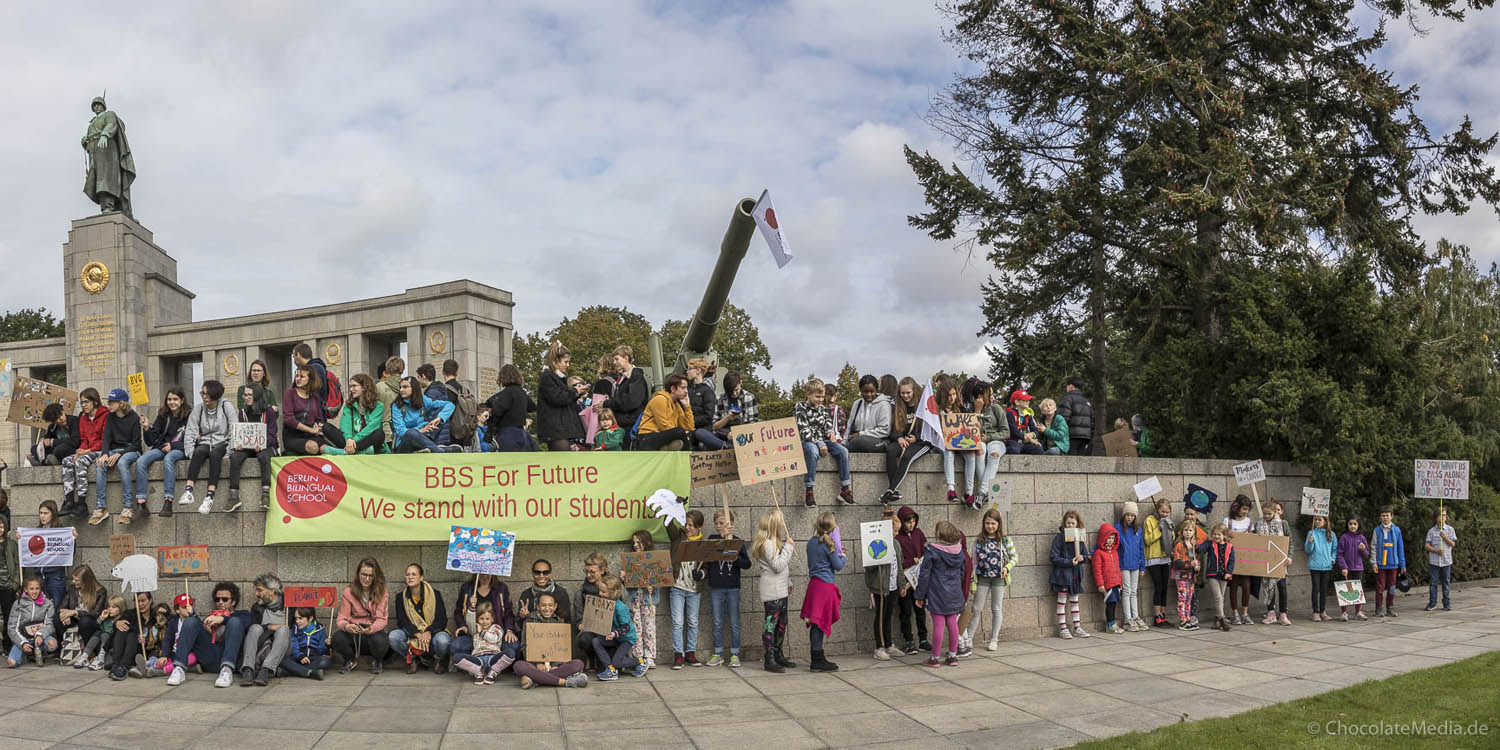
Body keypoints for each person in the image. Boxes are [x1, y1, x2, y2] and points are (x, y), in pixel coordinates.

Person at [161, 584, 252, 688]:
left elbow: (247, 623)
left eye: (225, 599)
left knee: (235, 622)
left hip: (230, 659)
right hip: (209, 656)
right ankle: (179, 668)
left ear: (234, 601)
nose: (220, 602)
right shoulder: (211, 616)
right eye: (217, 599)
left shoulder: (243, 614)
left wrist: (223, 619)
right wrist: (204, 626)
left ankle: (227, 670)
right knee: (191, 621)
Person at [129, 386, 190, 518]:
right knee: (141, 461)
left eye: (175, 399)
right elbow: (151, 441)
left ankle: (168, 501)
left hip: (180, 449)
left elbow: (191, 440)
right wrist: (146, 428)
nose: (172, 402)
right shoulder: (163, 414)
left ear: (182, 400)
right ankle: (141, 502)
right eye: (169, 399)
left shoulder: (189, 415)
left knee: (169, 459)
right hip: (161, 448)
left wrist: (173, 446)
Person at [915, 520, 969, 667]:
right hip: (954, 593)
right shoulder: (959, 551)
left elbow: (924, 575)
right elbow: (962, 573)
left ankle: (934, 658)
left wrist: (920, 595)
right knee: (952, 623)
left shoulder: (932, 552)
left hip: (936, 593)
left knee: (938, 624)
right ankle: (952, 656)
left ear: (939, 535)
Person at [963, 509, 1015, 652]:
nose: (990, 526)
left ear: (998, 524)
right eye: (987, 523)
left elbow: (1014, 557)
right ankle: (969, 638)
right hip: (983, 579)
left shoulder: (1005, 540)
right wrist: (973, 582)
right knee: (976, 609)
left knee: (996, 608)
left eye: (993, 523)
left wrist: (1007, 567)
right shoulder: (978, 540)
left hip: (999, 579)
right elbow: (973, 562)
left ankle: (994, 639)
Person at [794, 379, 853, 506]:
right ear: (808, 394)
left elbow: (828, 426)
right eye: (817, 396)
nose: (820, 399)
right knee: (813, 452)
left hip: (823, 440)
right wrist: (820, 443)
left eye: (822, 396)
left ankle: (845, 488)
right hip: (807, 441)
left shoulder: (824, 409)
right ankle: (809, 490)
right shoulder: (801, 408)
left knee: (843, 451)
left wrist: (831, 433)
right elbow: (804, 431)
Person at [512, 592, 589, 689]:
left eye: (550, 605)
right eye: (543, 605)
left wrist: (556, 665)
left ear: (555, 606)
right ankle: (564, 682)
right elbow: (524, 646)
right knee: (518, 666)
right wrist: (537, 663)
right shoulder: (529, 621)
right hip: (535, 665)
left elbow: (563, 648)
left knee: (578, 664)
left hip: (555, 666)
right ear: (538, 606)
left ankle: (534, 680)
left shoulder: (560, 622)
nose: (547, 609)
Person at [182, 379, 236, 514]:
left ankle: (210, 496)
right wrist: (190, 452)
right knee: (199, 451)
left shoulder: (226, 406)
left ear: (215, 394)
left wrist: (229, 451)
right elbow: (190, 430)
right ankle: (188, 491)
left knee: (215, 455)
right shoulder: (199, 408)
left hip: (221, 442)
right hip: (205, 441)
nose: (204, 396)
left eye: (207, 394)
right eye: (202, 393)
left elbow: (234, 428)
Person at [705, 509, 751, 668]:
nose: (719, 526)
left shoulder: (738, 542)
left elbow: (747, 564)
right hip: (717, 587)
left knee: (734, 622)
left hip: (732, 587)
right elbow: (708, 556)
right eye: (717, 523)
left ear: (730, 524)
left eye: (722, 523)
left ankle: (734, 654)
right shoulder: (712, 539)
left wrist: (734, 554)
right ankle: (718, 653)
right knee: (717, 622)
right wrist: (723, 540)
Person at [90, 388, 143, 525]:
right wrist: (105, 454)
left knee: (122, 462)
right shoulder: (110, 417)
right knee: (100, 465)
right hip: (114, 451)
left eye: (112, 402)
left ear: (121, 403)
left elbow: (136, 444)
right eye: (109, 402)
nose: (109, 405)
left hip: (131, 451)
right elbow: (106, 438)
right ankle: (101, 508)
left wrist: (120, 454)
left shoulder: (134, 418)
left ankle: (128, 507)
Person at [800, 511, 845, 672]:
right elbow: (838, 566)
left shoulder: (811, 542)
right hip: (825, 586)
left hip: (813, 585)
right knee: (819, 624)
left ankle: (816, 656)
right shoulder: (828, 545)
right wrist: (843, 555)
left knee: (815, 623)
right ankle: (817, 660)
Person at [753, 509, 795, 673]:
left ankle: (778, 654)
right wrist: (789, 548)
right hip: (772, 591)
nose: (783, 525)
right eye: (781, 521)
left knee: (782, 623)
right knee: (771, 624)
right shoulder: (767, 544)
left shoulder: (774, 542)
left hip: (781, 589)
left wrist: (788, 581)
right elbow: (777, 566)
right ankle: (769, 658)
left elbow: (783, 568)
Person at [880, 377, 934, 504]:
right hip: (904, 439)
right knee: (891, 450)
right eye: (902, 393)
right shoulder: (897, 405)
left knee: (906, 458)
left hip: (923, 442)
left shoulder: (924, 405)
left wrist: (917, 438)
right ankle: (894, 490)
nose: (905, 396)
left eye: (908, 393)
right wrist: (898, 437)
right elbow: (893, 428)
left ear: (914, 391)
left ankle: (891, 489)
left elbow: (930, 428)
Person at [333, 557, 390, 674]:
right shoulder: (348, 592)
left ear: (375, 576)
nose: (367, 579)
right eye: (364, 574)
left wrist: (372, 628)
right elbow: (341, 618)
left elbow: (382, 619)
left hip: (372, 632)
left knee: (382, 640)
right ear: (358, 574)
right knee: (337, 638)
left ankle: (377, 661)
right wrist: (346, 626)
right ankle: (350, 660)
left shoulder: (382, 592)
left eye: (371, 576)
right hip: (355, 632)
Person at [226, 384, 278, 512]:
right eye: (245, 395)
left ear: (257, 396)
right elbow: (241, 432)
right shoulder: (243, 412)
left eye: (249, 395)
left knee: (264, 457)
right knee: (235, 457)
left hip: (266, 446)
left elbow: (272, 435)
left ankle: (265, 494)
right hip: (248, 447)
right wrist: (238, 443)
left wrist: (262, 444)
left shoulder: (269, 412)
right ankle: (234, 497)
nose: (246, 397)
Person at [666, 508, 706, 668]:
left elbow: (708, 566)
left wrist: (701, 574)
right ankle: (678, 655)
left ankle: (690, 653)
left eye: (691, 525)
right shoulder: (678, 537)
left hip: (694, 589)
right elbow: (667, 524)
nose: (688, 528)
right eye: (686, 524)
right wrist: (672, 508)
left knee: (693, 621)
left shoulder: (703, 543)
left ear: (698, 527)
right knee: (677, 622)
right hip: (677, 586)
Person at [13, 501, 73, 608]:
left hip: (55, 577)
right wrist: (22, 539)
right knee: (39, 608)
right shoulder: (35, 532)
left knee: (56, 607)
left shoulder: (61, 532)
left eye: (45, 513)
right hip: (39, 577)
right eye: (40, 513)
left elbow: (68, 553)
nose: (42, 516)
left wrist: (72, 539)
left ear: (53, 514)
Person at [59, 388, 108, 519]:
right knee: (67, 461)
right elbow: (84, 439)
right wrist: (80, 451)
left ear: (95, 402)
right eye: (81, 402)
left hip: (101, 451)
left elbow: (105, 440)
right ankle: (69, 501)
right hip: (88, 450)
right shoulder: (83, 418)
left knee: (80, 462)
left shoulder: (106, 415)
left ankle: (81, 504)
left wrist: (86, 451)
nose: (83, 405)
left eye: (86, 402)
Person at [392, 563, 450, 673]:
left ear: (421, 577)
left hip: (432, 635)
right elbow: (402, 621)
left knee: (443, 640)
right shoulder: (401, 597)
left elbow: (442, 620)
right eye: (407, 574)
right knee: (394, 636)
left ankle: (438, 660)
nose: (410, 577)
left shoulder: (435, 594)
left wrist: (428, 632)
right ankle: (412, 659)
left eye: (414, 574)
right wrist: (417, 634)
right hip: (413, 635)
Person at [452, 573, 515, 669]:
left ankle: (492, 665)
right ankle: (479, 664)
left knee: (514, 647)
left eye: (488, 573)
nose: (485, 576)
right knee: (456, 646)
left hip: (496, 634)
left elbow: (508, 612)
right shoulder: (467, 588)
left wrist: (509, 630)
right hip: (473, 634)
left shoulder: (501, 588)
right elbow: (458, 611)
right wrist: (462, 625)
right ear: (476, 573)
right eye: (481, 574)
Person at [237, 573, 289, 686]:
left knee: (284, 630)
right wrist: (269, 627)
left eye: (259, 590)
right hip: (262, 647)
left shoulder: (290, 605)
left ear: (272, 591)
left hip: (283, 647)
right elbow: (252, 633)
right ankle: (248, 669)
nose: (256, 594)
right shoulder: (257, 608)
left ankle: (266, 670)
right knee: (255, 627)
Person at [537, 342, 587, 451]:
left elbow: (563, 398)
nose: (568, 365)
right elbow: (557, 398)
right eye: (566, 362)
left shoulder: (556, 377)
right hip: (556, 429)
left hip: (560, 429)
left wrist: (577, 393)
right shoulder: (548, 377)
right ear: (555, 361)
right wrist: (575, 391)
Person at [320, 373, 386, 455]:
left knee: (379, 434)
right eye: (350, 386)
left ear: (364, 387)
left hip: (365, 441)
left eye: (354, 386)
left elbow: (371, 427)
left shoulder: (378, 406)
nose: (351, 389)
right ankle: (358, 451)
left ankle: (344, 452)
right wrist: (348, 439)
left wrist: (354, 440)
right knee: (326, 427)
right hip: (350, 441)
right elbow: (345, 425)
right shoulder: (349, 405)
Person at [590, 574, 641, 680]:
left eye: (603, 592)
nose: (600, 594)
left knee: (617, 662)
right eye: (600, 590)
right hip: (615, 637)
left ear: (613, 592)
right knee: (596, 641)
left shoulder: (620, 608)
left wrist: (613, 634)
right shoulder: (605, 603)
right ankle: (611, 670)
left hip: (626, 638)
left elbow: (626, 627)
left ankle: (641, 661)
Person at [865, 508, 900, 660]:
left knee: (888, 615)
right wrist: (877, 560)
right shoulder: (876, 543)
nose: (897, 534)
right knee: (880, 616)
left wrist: (901, 583)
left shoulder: (896, 544)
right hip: (880, 586)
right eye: (895, 531)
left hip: (893, 586)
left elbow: (900, 564)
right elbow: (868, 565)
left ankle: (889, 643)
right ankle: (879, 646)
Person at [1049, 510, 1090, 639]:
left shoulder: (1080, 538)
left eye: (1073, 523)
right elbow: (1053, 557)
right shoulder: (1059, 538)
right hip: (1062, 575)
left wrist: (1083, 557)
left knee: (1074, 601)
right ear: (1064, 524)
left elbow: (1086, 555)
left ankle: (1077, 627)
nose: (1071, 525)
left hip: (1076, 575)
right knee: (1061, 601)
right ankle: (1063, 628)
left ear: (1077, 524)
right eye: (1068, 523)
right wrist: (1068, 562)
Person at [392, 376, 459, 454]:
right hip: (404, 444)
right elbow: (401, 431)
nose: (401, 390)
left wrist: (440, 418)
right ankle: (439, 451)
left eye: (405, 387)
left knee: (440, 411)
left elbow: (450, 405)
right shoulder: (396, 406)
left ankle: (423, 449)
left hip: (424, 436)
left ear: (414, 388)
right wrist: (420, 431)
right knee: (411, 433)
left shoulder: (423, 400)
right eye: (400, 387)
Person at [967, 382, 1008, 507]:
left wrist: (989, 437)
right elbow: (970, 432)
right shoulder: (971, 409)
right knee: (979, 449)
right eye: (988, 394)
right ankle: (984, 493)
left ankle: (982, 492)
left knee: (994, 454)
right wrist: (977, 412)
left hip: (996, 440)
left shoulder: (996, 408)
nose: (991, 396)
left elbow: (1006, 432)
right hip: (980, 441)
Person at [894, 505, 929, 654]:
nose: (911, 524)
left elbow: (924, 549)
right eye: (908, 521)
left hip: (918, 578)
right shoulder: (898, 537)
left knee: (920, 609)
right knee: (906, 610)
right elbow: (897, 559)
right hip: (904, 579)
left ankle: (923, 639)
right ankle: (908, 641)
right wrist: (910, 561)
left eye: (913, 521)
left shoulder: (918, 533)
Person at [58, 564, 109, 666]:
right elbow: (62, 607)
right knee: (57, 619)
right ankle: (65, 646)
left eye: (76, 580)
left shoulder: (100, 591)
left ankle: (89, 652)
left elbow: (95, 613)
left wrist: (75, 612)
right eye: (73, 579)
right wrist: (64, 615)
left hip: (91, 622)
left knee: (84, 621)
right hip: (74, 619)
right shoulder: (73, 588)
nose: (73, 582)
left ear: (86, 581)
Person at [598, 345, 648, 447]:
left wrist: (607, 403)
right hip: (625, 424)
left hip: (631, 425)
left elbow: (631, 401)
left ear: (626, 358)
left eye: (616, 359)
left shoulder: (636, 377)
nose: (614, 362)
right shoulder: (625, 378)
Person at [623, 531, 659, 670]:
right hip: (635, 599)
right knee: (636, 628)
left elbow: (660, 577)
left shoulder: (654, 560)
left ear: (647, 542)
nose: (635, 545)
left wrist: (653, 588)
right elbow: (628, 583)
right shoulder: (631, 560)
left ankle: (649, 656)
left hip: (648, 601)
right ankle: (638, 656)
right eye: (634, 542)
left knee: (649, 628)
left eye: (638, 542)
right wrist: (624, 578)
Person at [1254, 499, 1292, 625]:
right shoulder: (1258, 524)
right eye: (1264, 514)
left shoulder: (1283, 523)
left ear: (1275, 512)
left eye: (1269, 514)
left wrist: (1289, 556)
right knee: (1268, 588)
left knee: (1282, 587)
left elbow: (1289, 541)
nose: (1267, 516)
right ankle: (1270, 613)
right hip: (1266, 560)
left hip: (1280, 560)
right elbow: (1254, 540)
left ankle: (1283, 614)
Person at [6, 575, 56, 667]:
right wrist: (22, 643)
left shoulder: (48, 603)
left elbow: (50, 624)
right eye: (31, 589)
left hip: (40, 638)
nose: (34, 591)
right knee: (11, 662)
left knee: (52, 644)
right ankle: (27, 652)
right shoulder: (18, 603)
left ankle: (38, 651)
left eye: (37, 588)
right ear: (25, 589)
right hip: (24, 638)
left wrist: (41, 635)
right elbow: (11, 628)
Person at [454, 602, 509, 684]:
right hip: (478, 660)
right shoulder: (475, 629)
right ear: (477, 619)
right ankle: (478, 671)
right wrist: (472, 607)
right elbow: (469, 620)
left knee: (510, 653)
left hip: (493, 658)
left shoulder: (497, 628)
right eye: (481, 618)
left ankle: (493, 671)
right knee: (456, 657)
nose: (484, 622)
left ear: (492, 619)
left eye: (487, 619)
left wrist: (482, 632)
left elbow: (494, 639)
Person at [485, 364, 536, 452]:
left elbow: (497, 412)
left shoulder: (506, 394)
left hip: (507, 433)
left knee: (508, 463)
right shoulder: (522, 392)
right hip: (521, 433)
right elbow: (532, 407)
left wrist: (490, 431)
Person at [635, 374, 692, 451]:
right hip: (646, 437)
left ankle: (666, 449)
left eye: (686, 388)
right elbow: (664, 426)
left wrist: (687, 407)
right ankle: (687, 459)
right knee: (680, 431)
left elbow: (688, 427)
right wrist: (683, 433)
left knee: (688, 433)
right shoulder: (660, 399)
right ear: (673, 388)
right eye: (683, 388)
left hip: (660, 435)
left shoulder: (676, 404)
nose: (686, 391)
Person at [1172, 509, 1208, 630]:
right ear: (1182, 532)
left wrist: (1196, 567)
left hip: (1191, 576)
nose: (1188, 532)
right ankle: (1182, 620)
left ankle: (1188, 619)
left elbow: (1196, 560)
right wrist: (1189, 564)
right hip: (1181, 575)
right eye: (1186, 530)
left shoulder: (1193, 545)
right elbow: (1177, 562)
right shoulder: (1179, 544)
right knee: (1182, 598)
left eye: (1190, 530)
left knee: (1189, 598)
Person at [573, 553, 609, 671]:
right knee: (584, 639)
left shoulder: (614, 588)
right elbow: (579, 616)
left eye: (592, 572)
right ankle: (590, 658)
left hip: (611, 630)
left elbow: (627, 611)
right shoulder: (581, 592)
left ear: (602, 570)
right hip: (590, 630)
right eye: (586, 571)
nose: (588, 575)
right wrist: (580, 624)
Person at [1143, 498, 1176, 627]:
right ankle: (1157, 616)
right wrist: (1159, 529)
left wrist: (1168, 528)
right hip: (1153, 558)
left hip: (1165, 556)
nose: (1165, 514)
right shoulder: (1149, 520)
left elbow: (1172, 537)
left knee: (1165, 587)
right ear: (1157, 510)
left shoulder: (1167, 520)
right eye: (1163, 511)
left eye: (1167, 512)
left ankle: (1164, 614)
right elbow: (1147, 540)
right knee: (1158, 586)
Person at [282, 365, 328, 456]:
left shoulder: (315, 397)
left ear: (310, 379)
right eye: (297, 376)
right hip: (293, 436)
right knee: (313, 447)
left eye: (302, 376)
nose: (298, 379)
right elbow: (289, 420)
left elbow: (319, 419)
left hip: (310, 436)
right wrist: (311, 430)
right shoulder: (290, 393)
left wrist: (319, 427)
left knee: (325, 448)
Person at [1225, 495, 1256, 625]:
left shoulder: (1249, 522)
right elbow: (1221, 536)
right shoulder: (1228, 521)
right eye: (1244, 508)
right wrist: (1227, 534)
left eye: (1247, 509)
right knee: (1233, 586)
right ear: (1236, 507)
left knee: (1246, 586)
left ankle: (1245, 613)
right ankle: (1235, 613)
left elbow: (1254, 539)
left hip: (1245, 560)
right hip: (1232, 559)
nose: (1245, 512)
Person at [1198, 524, 1236, 631]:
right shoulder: (1210, 544)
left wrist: (1229, 572)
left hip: (1224, 575)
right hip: (1212, 574)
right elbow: (1200, 549)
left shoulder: (1230, 547)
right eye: (1214, 534)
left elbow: (1232, 561)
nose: (1216, 536)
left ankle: (1216, 620)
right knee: (1218, 597)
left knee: (1220, 598)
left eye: (1218, 534)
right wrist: (1194, 543)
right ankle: (1223, 620)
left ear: (1224, 535)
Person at [1116, 502, 1147, 631]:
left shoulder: (1138, 530)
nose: (1129, 518)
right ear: (1124, 515)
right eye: (1127, 515)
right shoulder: (1118, 528)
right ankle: (1127, 619)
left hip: (1135, 565)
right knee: (1127, 591)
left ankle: (1135, 616)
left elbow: (1141, 548)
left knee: (1134, 591)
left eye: (1132, 515)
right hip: (1123, 565)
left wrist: (1142, 566)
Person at [1372, 506, 1406, 617]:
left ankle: (1390, 608)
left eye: (1387, 515)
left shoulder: (1397, 530)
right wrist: (1374, 563)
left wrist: (1402, 564)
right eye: (1383, 515)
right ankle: (1378, 608)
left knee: (1392, 587)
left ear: (1392, 516)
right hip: (1381, 565)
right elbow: (1373, 547)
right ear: (1380, 517)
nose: (1385, 517)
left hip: (1393, 564)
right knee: (1380, 587)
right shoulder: (1377, 530)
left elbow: (1400, 548)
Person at [1090, 523, 1124, 634]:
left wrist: (1120, 582)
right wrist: (1100, 584)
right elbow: (1097, 570)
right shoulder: (1098, 553)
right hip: (1107, 584)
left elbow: (1117, 568)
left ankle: (1113, 623)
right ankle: (1110, 624)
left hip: (1115, 583)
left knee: (1114, 604)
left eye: (1112, 538)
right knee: (1110, 604)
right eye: (1108, 538)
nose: (1110, 540)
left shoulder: (1114, 552)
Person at [845, 375, 892, 453]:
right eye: (865, 392)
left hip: (879, 440)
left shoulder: (884, 405)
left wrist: (860, 434)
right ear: (860, 390)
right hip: (856, 440)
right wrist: (843, 442)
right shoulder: (857, 404)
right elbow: (849, 426)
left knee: (859, 442)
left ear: (876, 390)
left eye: (871, 391)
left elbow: (885, 430)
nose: (869, 395)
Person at [517, 558, 573, 623]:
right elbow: (518, 624)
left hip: (555, 631)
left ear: (550, 574)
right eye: (537, 572)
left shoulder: (561, 593)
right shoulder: (526, 594)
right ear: (532, 574)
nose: (541, 576)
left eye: (545, 572)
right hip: (532, 631)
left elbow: (567, 620)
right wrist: (523, 616)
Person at [281, 607, 330, 680]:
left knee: (325, 662)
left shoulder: (320, 630)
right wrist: (300, 656)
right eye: (296, 618)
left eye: (300, 618)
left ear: (310, 618)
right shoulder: (294, 630)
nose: (297, 621)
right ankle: (310, 672)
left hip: (313, 657)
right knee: (283, 660)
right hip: (298, 657)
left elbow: (321, 650)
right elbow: (294, 646)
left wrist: (327, 645)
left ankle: (289, 671)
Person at [685, 359, 725, 450]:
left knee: (699, 434)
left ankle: (724, 447)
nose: (687, 372)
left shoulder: (707, 391)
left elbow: (708, 415)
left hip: (703, 430)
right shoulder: (687, 390)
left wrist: (692, 422)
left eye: (690, 369)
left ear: (698, 370)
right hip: (689, 429)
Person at [1337, 515, 1370, 621]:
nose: (1352, 526)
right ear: (1347, 525)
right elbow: (1340, 554)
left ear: (1358, 525)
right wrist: (1343, 567)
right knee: (1344, 589)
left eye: (1355, 524)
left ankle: (1358, 611)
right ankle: (1344, 612)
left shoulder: (1362, 538)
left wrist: (1363, 549)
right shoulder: (1344, 537)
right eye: (1350, 524)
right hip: (1346, 568)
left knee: (1358, 590)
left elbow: (1366, 554)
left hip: (1358, 568)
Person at [1305, 514, 1337, 621]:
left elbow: (1334, 548)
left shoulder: (1331, 534)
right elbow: (1308, 550)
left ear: (1325, 521)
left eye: (1319, 520)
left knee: (1324, 589)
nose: (1317, 522)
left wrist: (1332, 559)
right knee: (1316, 588)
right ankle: (1315, 612)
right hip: (1314, 565)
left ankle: (1323, 611)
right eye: (1315, 520)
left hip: (1326, 566)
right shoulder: (1311, 533)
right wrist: (1310, 543)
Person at [712, 371, 759, 443]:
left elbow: (753, 422)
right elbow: (714, 426)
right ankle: (725, 445)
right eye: (730, 391)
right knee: (702, 433)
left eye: (736, 390)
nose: (734, 393)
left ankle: (727, 446)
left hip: (744, 431)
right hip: (725, 433)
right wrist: (727, 418)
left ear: (740, 383)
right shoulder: (719, 399)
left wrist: (738, 431)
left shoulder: (749, 397)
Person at [414, 364, 455, 446]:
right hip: (444, 434)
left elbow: (429, 415)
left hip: (436, 436)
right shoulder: (440, 389)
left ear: (424, 376)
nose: (418, 380)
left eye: (418, 377)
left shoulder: (431, 393)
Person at [1425, 508, 1458, 612]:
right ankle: (1432, 603)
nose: (1442, 517)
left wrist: (1445, 537)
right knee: (1433, 583)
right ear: (1436, 517)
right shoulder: (1431, 531)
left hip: (1446, 561)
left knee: (1446, 583)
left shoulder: (1450, 529)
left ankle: (1447, 603)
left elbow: (1453, 544)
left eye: (1444, 515)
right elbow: (1427, 545)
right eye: (1440, 515)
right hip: (1434, 561)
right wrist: (1436, 550)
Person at [292, 343, 335, 419]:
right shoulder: (316, 367)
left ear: (298, 355)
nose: (294, 360)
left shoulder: (315, 368)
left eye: (293, 356)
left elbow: (313, 393)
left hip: (313, 417)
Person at [29, 403, 75, 468]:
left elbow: (75, 441)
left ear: (63, 412)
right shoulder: (52, 427)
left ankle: (49, 462)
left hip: (70, 449)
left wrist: (52, 442)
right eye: (57, 419)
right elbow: (46, 440)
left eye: (61, 415)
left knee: (60, 449)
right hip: (55, 450)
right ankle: (44, 461)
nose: (61, 419)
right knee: (34, 448)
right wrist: (43, 442)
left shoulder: (74, 421)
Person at [1056, 378, 1093, 455]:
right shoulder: (1087, 401)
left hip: (1071, 436)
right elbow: (1092, 421)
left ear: (1071, 386)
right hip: (1085, 437)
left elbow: (1063, 419)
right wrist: (1090, 437)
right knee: (1080, 462)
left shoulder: (1067, 399)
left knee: (1070, 461)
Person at [375, 356, 405, 452]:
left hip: (384, 431)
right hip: (403, 430)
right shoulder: (407, 386)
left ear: (387, 369)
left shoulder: (379, 387)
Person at [1004, 390, 1044, 456]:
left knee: (1038, 449)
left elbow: (1035, 429)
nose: (1028, 402)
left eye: (1028, 400)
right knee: (1014, 450)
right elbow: (1014, 432)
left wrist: (1033, 435)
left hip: (1025, 442)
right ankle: (1003, 448)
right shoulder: (1010, 414)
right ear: (1017, 402)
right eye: (1025, 400)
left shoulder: (1028, 415)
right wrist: (1027, 438)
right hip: (1014, 441)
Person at [0, 516, 16, 655]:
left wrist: (15, 583)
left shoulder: (11, 544)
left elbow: (17, 564)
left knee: (8, 616)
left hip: (7, 586)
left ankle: (7, 645)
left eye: (1, 526)